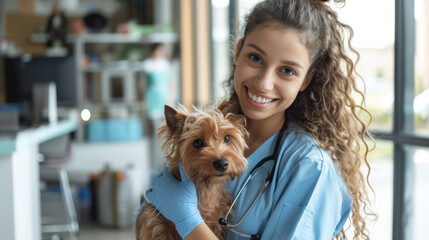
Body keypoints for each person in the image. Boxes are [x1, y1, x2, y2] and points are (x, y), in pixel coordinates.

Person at [143, 0, 376, 239]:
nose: (264, 83)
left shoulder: (309, 168)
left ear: (306, 80)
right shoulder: (201, 131)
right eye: (255, 58)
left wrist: (186, 218)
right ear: (238, 51)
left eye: (287, 70)